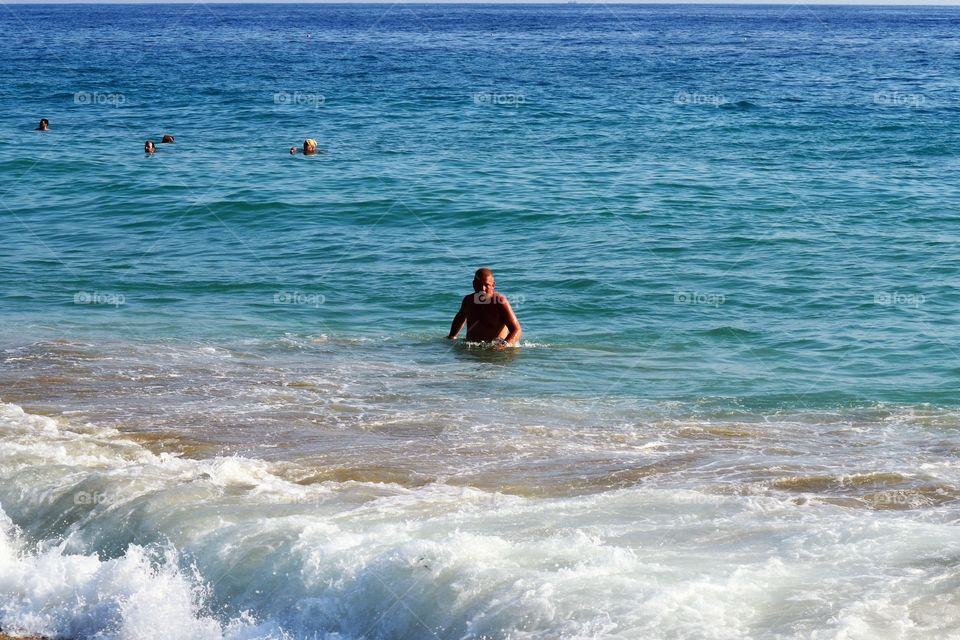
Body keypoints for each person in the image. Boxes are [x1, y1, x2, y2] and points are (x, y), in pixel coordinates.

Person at [447, 267, 522, 350]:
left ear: (493, 285)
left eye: (486, 285)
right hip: (471, 349)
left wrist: (504, 345)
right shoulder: (468, 300)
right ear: (474, 284)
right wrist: (451, 337)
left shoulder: (500, 302)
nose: (483, 289)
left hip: (495, 351)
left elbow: (517, 330)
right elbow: (460, 319)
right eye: (479, 284)